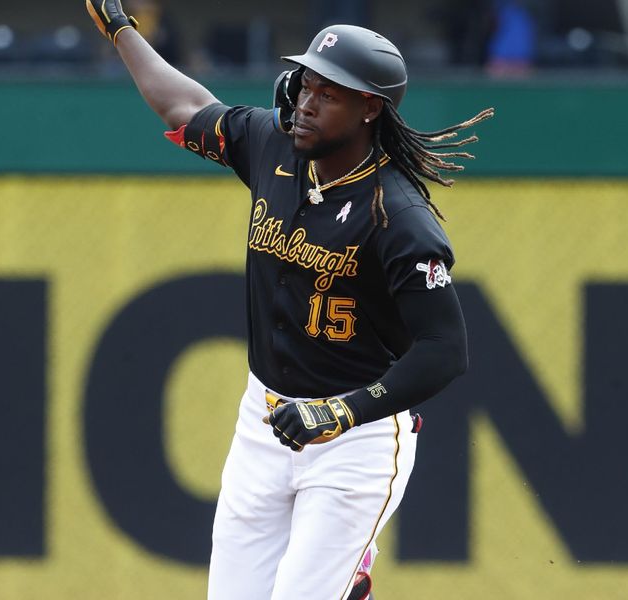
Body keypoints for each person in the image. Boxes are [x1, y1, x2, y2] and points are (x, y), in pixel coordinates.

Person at [85, 3, 493, 598]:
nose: (306, 101)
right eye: (305, 82)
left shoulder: (398, 217)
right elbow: (184, 106)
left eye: (329, 93)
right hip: (264, 419)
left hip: (356, 439)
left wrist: (344, 411)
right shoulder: (272, 145)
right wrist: (122, 29)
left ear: (370, 108)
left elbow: (445, 350)